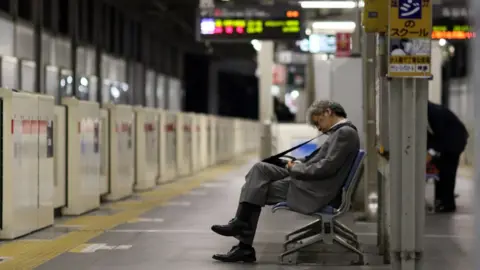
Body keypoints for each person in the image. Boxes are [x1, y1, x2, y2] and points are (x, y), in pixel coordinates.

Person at [210, 100, 360, 263]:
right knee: (260, 169)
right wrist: (292, 162)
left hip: (314, 190)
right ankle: (240, 227)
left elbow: (325, 168)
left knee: (257, 189)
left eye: (318, 122)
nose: (319, 128)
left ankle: (243, 242)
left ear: (328, 112)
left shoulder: (344, 133)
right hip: (309, 180)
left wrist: (294, 169)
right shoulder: (340, 133)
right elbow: (318, 161)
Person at [427, 101, 469, 212]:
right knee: (441, 171)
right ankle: (441, 201)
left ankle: (447, 204)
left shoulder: (434, 113)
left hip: (454, 141)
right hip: (452, 139)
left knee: (447, 172)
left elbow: (439, 137)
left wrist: (431, 153)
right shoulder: (431, 110)